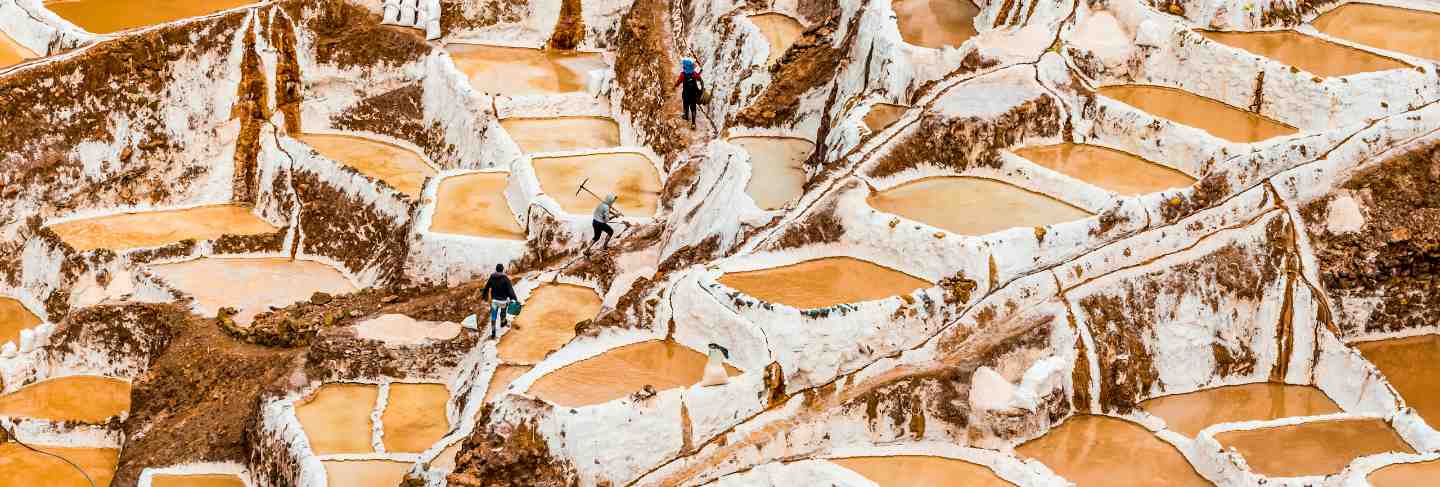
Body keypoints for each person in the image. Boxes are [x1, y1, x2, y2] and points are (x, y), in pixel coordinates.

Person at [481, 264, 517, 339]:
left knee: (493, 315)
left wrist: (484, 296)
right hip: (503, 301)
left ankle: (493, 331)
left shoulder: (492, 277)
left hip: (494, 301)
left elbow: (486, 287)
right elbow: (510, 290)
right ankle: (502, 322)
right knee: (503, 312)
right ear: (502, 269)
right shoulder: (505, 278)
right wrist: (514, 299)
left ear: (496, 269)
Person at [674, 57, 705, 127]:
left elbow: (678, 82)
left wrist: (675, 85)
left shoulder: (683, 75)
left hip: (686, 94)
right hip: (694, 94)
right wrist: (701, 89)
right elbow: (700, 80)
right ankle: (693, 123)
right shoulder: (694, 74)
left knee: (686, 105)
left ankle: (686, 116)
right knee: (693, 107)